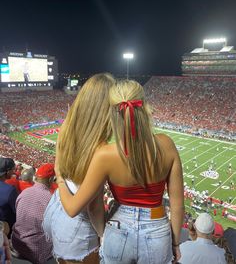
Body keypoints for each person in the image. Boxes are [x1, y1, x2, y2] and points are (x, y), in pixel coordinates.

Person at [56, 79, 184, 264]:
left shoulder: (105, 155)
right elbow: (177, 205)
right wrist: (175, 243)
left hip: (118, 229)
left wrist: (60, 178)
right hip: (157, 229)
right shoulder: (167, 144)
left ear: (113, 113)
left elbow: (76, 207)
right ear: (145, 106)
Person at [43, 73, 115, 264]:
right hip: (75, 224)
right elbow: (89, 206)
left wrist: (60, 176)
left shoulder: (67, 127)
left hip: (55, 209)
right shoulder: (100, 149)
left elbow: (61, 166)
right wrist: (104, 235)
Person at [11, 163, 55, 264]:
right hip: (36, 249)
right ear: (50, 179)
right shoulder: (50, 199)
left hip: (17, 241)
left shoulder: (25, 192)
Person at [0, 157, 18, 235]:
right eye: (12, 170)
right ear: (7, 171)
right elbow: (17, 211)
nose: (13, 172)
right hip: (4, 229)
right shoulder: (10, 190)